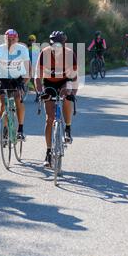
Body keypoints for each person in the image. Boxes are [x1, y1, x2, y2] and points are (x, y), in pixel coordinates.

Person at [35, 31, 79, 167]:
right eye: (54, 45)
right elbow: (37, 77)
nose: (56, 49)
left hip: (65, 81)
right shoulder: (44, 53)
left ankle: (68, 128)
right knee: (49, 119)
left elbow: (75, 78)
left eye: (59, 46)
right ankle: (48, 153)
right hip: (49, 83)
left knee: (67, 95)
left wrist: (73, 94)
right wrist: (40, 92)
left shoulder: (70, 54)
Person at [0, 29, 31, 141]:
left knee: (18, 99)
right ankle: (5, 128)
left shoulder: (22, 49)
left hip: (18, 79)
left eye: (13, 39)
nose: (11, 41)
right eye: (8, 39)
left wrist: (24, 83)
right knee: (2, 105)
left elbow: (29, 71)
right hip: (4, 79)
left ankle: (20, 129)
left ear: (17, 39)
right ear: (4, 39)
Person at [27, 34, 41, 102]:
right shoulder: (29, 49)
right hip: (31, 67)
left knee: (35, 80)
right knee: (33, 80)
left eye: (32, 40)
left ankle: (38, 93)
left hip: (36, 67)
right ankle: (38, 93)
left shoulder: (38, 48)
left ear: (35, 41)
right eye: (30, 40)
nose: (31, 41)